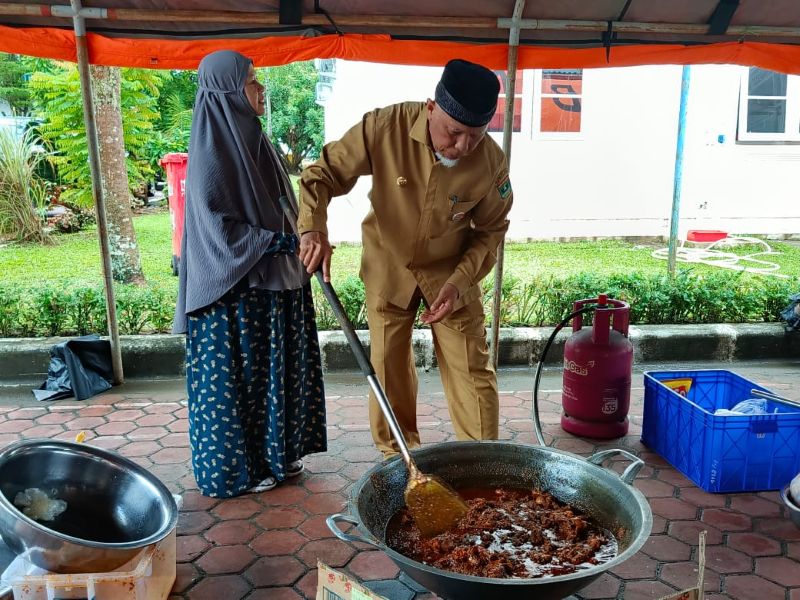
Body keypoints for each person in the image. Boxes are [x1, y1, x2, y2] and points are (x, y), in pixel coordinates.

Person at [297, 59, 512, 457]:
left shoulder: (490, 163)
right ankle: (401, 466)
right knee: (387, 369)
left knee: (472, 371)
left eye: (476, 136)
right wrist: (313, 228)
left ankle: (483, 463)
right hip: (388, 265)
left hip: (451, 273)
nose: (463, 147)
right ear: (431, 108)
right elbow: (322, 174)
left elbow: (490, 232)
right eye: (454, 132)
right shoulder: (384, 127)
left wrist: (459, 283)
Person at [173, 50, 327, 497]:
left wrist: (300, 237)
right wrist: (282, 242)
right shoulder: (213, 149)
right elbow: (218, 229)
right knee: (238, 381)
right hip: (232, 292)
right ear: (227, 91)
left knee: (272, 374)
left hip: (271, 282)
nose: (261, 89)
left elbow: (283, 208)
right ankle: (234, 473)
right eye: (252, 81)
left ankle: (276, 455)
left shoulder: (255, 140)